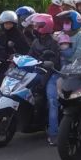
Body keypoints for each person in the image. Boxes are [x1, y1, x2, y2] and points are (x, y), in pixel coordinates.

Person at [27, 14, 61, 146]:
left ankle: (54, 133)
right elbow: (29, 56)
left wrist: (44, 81)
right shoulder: (36, 41)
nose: (35, 27)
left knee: (52, 101)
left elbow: (54, 64)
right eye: (34, 25)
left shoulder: (54, 42)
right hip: (38, 72)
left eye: (37, 25)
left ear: (44, 26)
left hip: (52, 74)